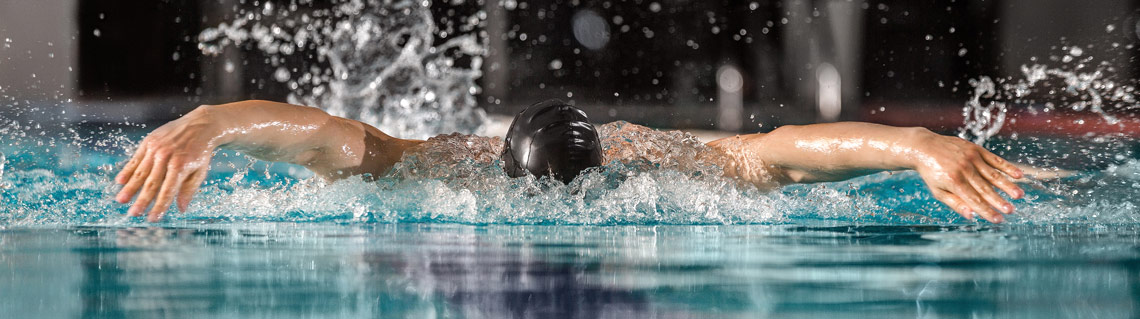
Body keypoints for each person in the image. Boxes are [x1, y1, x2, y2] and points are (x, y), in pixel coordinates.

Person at [113, 99, 1024, 223]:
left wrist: (917, 144)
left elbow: (778, 154)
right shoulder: (450, 164)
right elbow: (328, 137)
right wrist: (213, 120)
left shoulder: (656, 160)